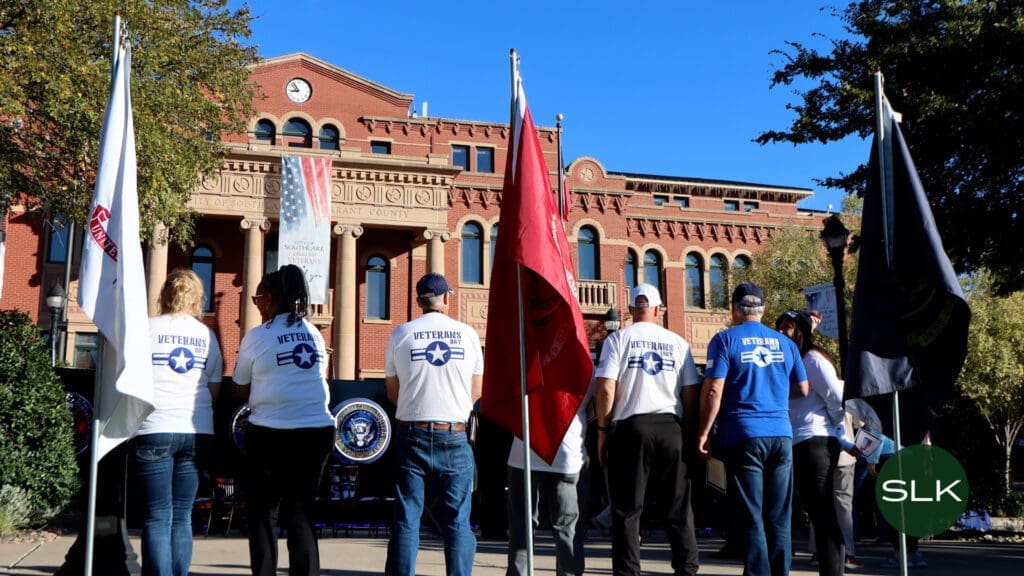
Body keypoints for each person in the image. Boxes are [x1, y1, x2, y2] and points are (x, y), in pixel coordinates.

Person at [696, 282, 809, 576]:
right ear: (761, 309)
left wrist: (704, 431)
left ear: (734, 308)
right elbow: (803, 388)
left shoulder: (725, 340)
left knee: (751, 514)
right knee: (779, 516)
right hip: (781, 435)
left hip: (744, 434)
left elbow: (713, 390)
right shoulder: (786, 343)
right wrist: (774, 395)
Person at [232, 264, 335, 576]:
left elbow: (240, 387)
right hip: (316, 431)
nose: (256, 304)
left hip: (270, 433)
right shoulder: (314, 333)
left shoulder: (258, 337)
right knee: (301, 512)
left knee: (263, 515)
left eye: (257, 298)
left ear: (271, 298)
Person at [595, 284, 701, 576]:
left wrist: (603, 430)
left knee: (628, 509)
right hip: (670, 426)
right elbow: (691, 391)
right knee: (678, 506)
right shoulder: (677, 343)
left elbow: (605, 386)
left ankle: (628, 572)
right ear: (657, 310)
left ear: (630, 310)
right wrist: (689, 433)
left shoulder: (618, 339)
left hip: (631, 427)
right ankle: (687, 569)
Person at [384, 273, 483, 576]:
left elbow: (392, 392)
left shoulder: (401, 334)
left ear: (418, 301)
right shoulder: (467, 335)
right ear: (447, 299)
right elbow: (476, 391)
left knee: (407, 517)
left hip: (411, 431)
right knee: (457, 520)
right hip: (453, 434)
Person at [132, 268, 223, 576]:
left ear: (165, 296)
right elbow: (214, 389)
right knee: (183, 516)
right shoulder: (206, 335)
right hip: (197, 430)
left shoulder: (145, 329)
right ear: (196, 300)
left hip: (154, 426)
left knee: (158, 515)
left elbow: (130, 380)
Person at [775, 309, 846, 576]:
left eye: (788, 327)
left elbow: (836, 397)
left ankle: (834, 572)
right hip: (798, 442)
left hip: (817, 440)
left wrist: (840, 434)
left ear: (802, 332)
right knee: (816, 513)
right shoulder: (790, 361)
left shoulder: (813, 360)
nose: (782, 331)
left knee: (823, 512)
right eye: (780, 327)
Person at [505, 385, 592, 576]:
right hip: (567, 454)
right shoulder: (584, 364)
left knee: (522, 527)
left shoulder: (526, 360)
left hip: (525, 450)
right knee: (567, 528)